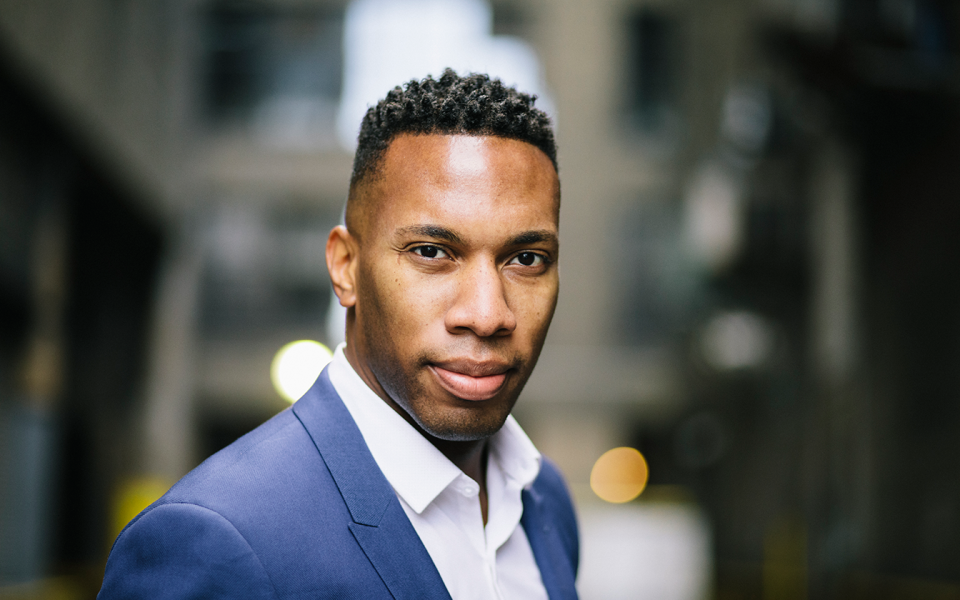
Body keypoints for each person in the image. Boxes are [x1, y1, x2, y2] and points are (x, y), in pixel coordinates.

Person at [98, 69, 578, 600]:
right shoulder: (214, 540)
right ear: (346, 267)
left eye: (527, 259)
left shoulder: (544, 500)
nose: (487, 315)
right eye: (431, 252)